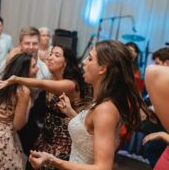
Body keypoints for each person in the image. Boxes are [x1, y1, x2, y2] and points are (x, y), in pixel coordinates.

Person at [29, 40, 147, 169]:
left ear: (102, 69)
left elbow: (103, 167)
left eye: (90, 58)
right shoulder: (100, 100)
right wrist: (69, 112)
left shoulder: (106, 109)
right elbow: (89, 133)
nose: (84, 62)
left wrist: (53, 160)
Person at [0, 44, 85, 169]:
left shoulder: (70, 84)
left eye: (56, 55)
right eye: (51, 53)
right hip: (45, 137)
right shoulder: (51, 77)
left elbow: (41, 83)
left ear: (66, 63)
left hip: (63, 142)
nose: (51, 57)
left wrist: (16, 79)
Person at [0, 26, 51, 169]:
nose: (31, 47)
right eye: (27, 43)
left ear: (39, 45)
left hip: (27, 114)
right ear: (20, 44)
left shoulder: (44, 71)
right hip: (5, 116)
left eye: (34, 43)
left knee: (33, 151)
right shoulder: (9, 62)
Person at [0, 53, 38, 169]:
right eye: (33, 66)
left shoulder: (6, 81)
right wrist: (28, 105)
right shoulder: (23, 91)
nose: (37, 69)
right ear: (24, 70)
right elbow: (18, 124)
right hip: (2, 137)